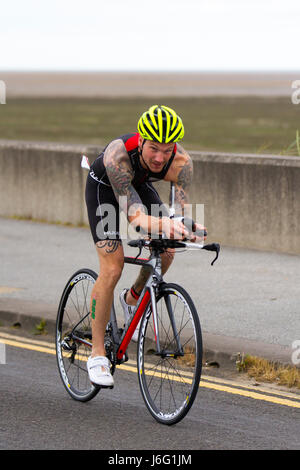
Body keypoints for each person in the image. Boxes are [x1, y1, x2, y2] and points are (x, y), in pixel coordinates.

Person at [85, 105, 206, 387]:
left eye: (167, 150)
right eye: (153, 148)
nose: (159, 157)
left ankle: (132, 298)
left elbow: (178, 210)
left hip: (135, 187)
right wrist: (163, 224)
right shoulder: (118, 156)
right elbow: (135, 216)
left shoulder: (182, 163)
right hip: (106, 188)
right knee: (112, 267)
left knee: (167, 251)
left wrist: (186, 225)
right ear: (140, 141)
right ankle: (97, 354)